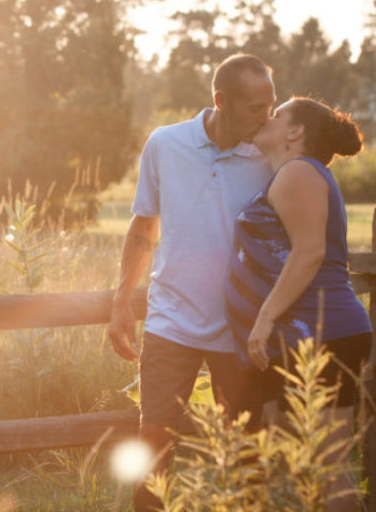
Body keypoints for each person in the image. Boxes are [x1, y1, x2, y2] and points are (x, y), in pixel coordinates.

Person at [106, 53, 276, 511]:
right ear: (220, 101)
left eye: (271, 105)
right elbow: (145, 226)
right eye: (256, 108)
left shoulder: (270, 154)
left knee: (243, 446)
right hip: (170, 321)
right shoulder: (166, 144)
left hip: (239, 324)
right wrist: (122, 301)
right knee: (153, 440)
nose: (268, 117)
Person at [226, 97, 372, 512]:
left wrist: (264, 319)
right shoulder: (292, 174)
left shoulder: (298, 173)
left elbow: (309, 253)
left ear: (296, 132)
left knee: (327, 468)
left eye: (276, 115)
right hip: (302, 336)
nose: (265, 119)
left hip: (321, 333)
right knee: (299, 468)